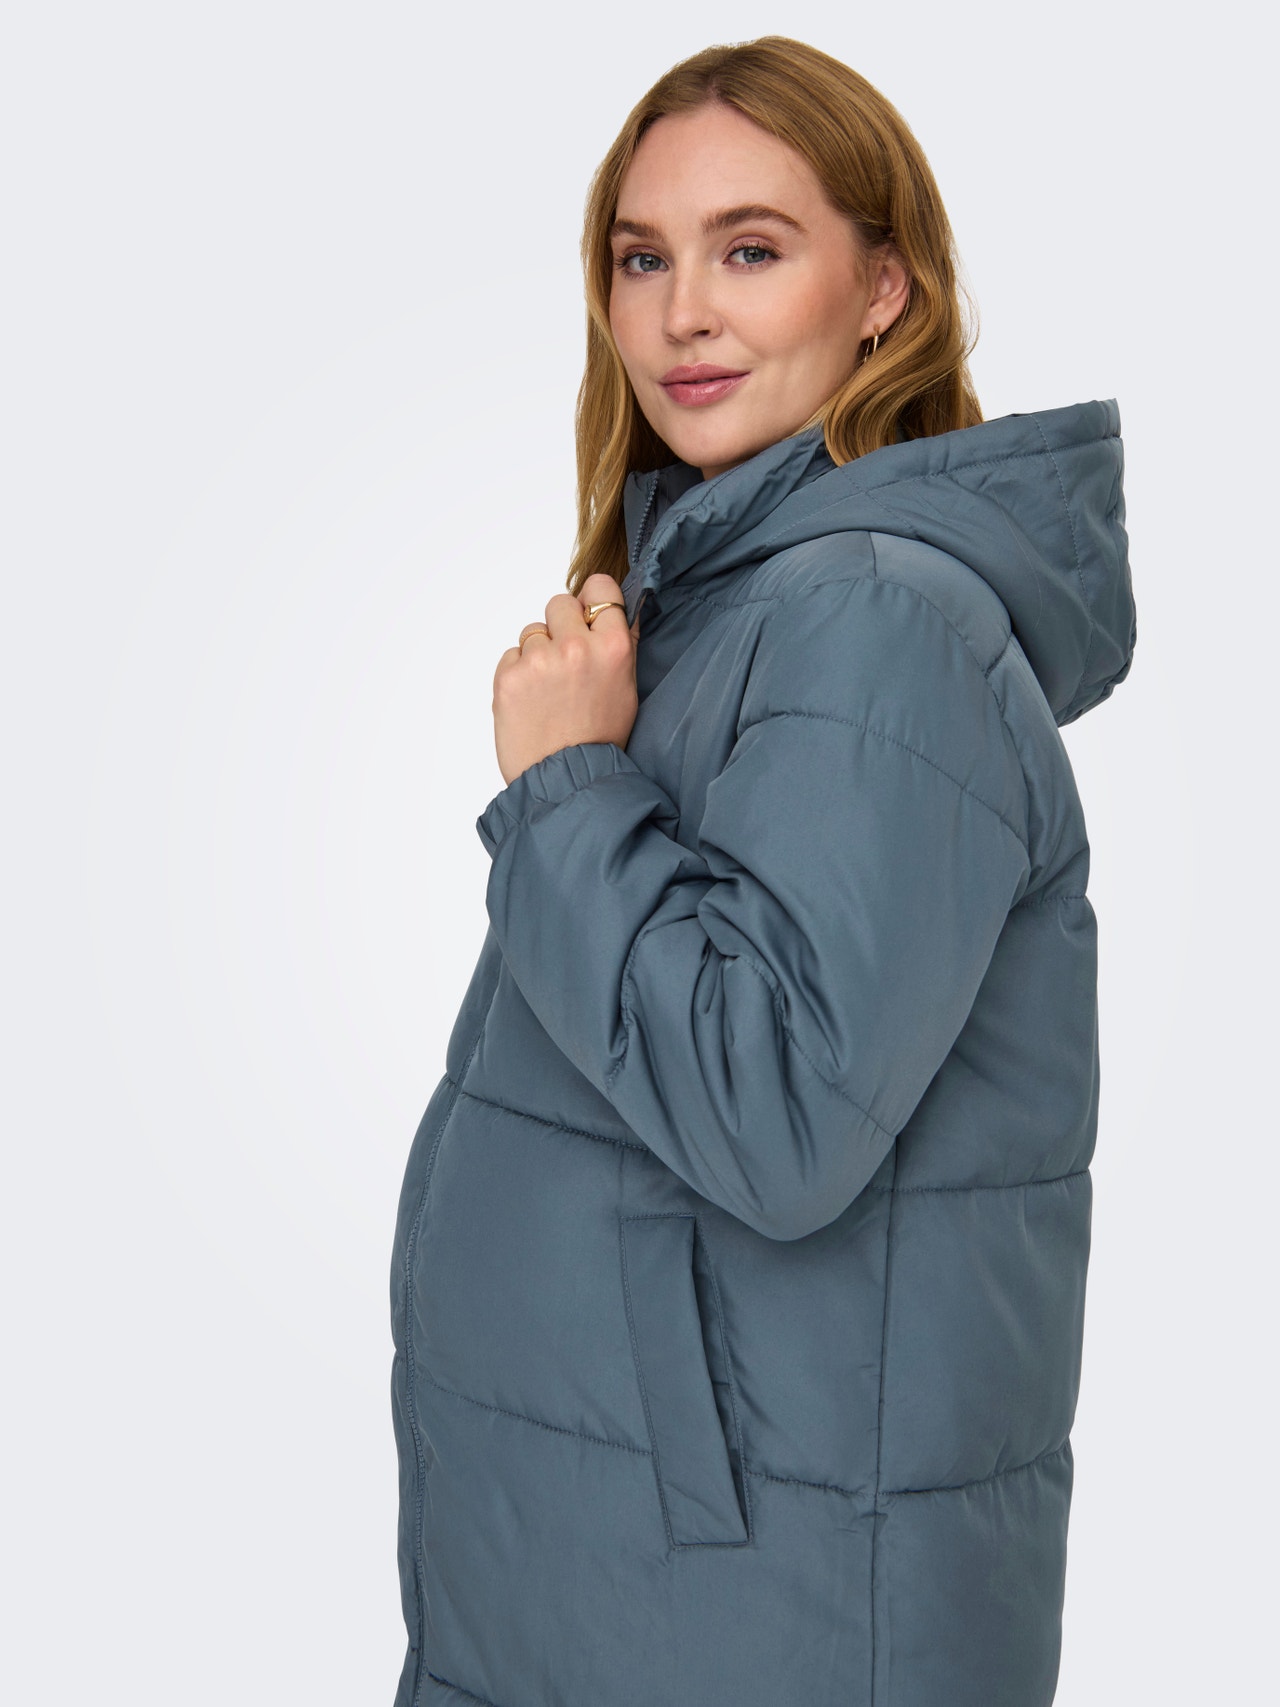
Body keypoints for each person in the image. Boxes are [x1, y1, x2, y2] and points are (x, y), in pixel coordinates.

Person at [389, 34, 1136, 1707]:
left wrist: (567, 788)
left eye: (749, 250)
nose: (681, 315)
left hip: (747, 1609)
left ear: (883, 289)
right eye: (640, 258)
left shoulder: (876, 621)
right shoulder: (741, 607)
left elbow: (776, 1112)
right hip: (638, 1581)